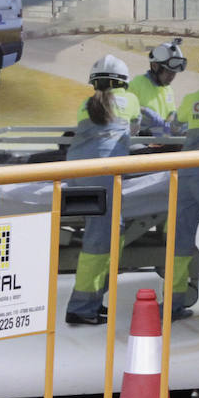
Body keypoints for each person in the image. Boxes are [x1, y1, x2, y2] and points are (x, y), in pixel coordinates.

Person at [65, 54, 141, 326]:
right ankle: (82, 307)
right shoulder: (130, 101)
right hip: (103, 179)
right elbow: (140, 131)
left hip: (78, 176)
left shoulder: (85, 105)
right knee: (99, 242)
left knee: (104, 238)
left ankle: (93, 302)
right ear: (123, 82)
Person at [170, 50, 199, 318]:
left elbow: (175, 128)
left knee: (180, 241)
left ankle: (174, 303)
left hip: (186, 174)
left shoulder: (192, 99)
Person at [129, 38, 184, 137]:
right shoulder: (136, 84)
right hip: (142, 142)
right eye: (168, 72)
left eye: (174, 72)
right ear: (154, 66)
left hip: (163, 141)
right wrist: (143, 111)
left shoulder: (168, 89)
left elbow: (170, 116)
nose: (172, 77)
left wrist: (172, 118)